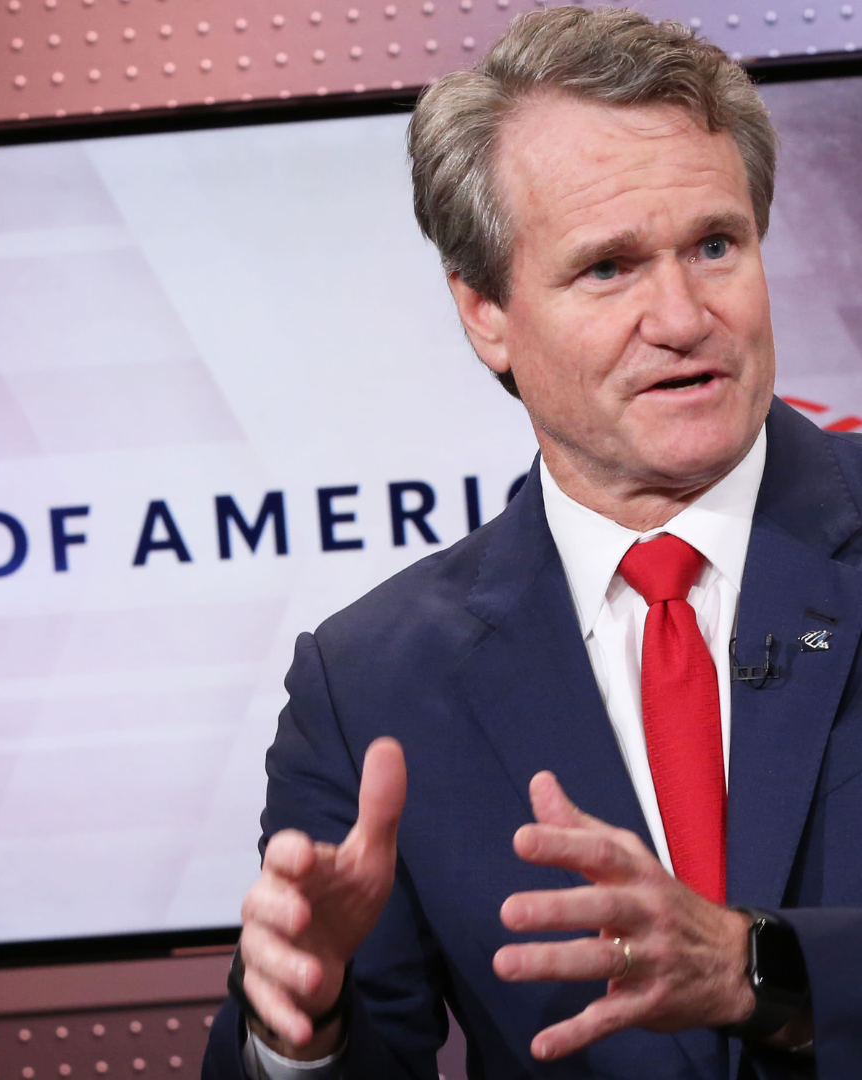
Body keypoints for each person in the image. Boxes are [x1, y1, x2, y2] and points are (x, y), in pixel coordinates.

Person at [203, 8, 862, 1078]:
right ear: (486, 314)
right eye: (608, 267)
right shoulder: (373, 685)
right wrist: (298, 1032)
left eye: (714, 244)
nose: (684, 314)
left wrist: (758, 968)